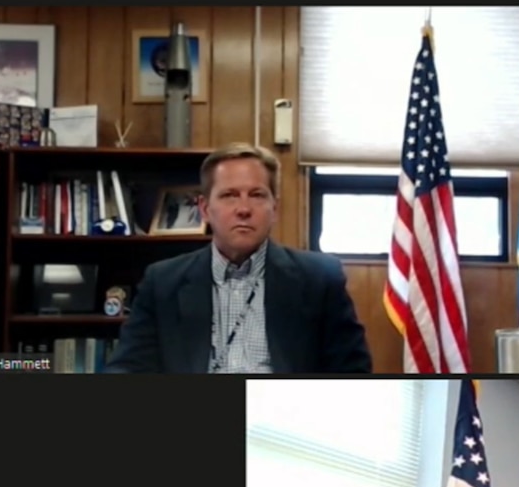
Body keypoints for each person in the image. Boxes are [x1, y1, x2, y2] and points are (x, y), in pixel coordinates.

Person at [107, 142, 371, 373]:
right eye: (229, 195)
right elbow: (127, 367)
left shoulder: (320, 279)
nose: (244, 209)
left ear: (274, 209)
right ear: (205, 209)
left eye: (256, 195)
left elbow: (352, 374)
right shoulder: (162, 282)